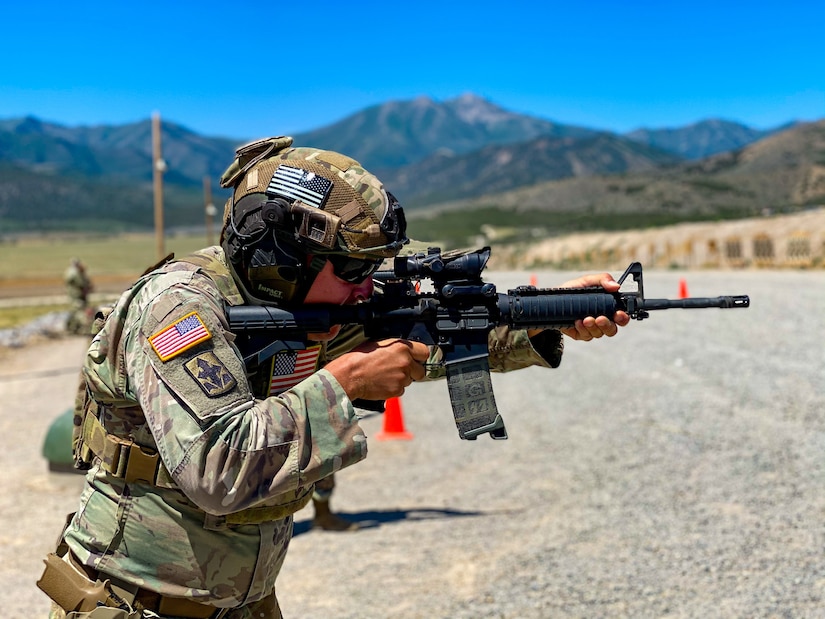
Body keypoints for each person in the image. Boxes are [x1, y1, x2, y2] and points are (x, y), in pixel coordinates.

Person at [39, 136, 629, 618]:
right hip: (129, 603)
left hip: (238, 603)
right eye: (351, 268)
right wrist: (345, 384)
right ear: (282, 256)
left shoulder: (309, 307)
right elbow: (215, 468)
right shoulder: (180, 307)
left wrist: (546, 315)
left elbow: (428, 339)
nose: (366, 286)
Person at [64, 257, 93, 334]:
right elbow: (81, 283)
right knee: (80, 312)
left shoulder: (70, 271)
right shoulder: (75, 272)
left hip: (75, 295)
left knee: (76, 311)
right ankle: (82, 329)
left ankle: (74, 329)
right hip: (77, 295)